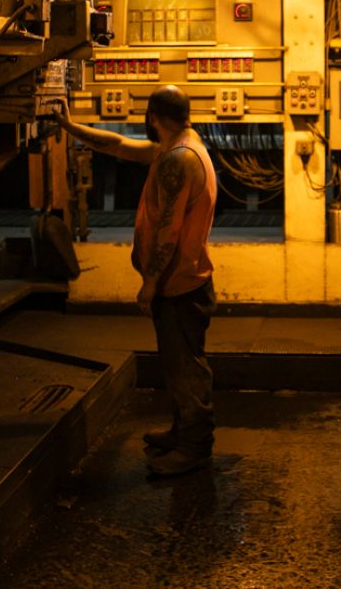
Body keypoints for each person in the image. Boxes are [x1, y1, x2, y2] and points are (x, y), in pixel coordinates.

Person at [48, 85, 218, 476]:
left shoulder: (178, 159)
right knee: (178, 365)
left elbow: (167, 230)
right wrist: (71, 127)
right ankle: (181, 432)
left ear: (154, 116)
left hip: (178, 284)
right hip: (183, 280)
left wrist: (150, 284)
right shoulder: (181, 145)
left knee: (186, 369)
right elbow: (119, 145)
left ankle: (194, 448)